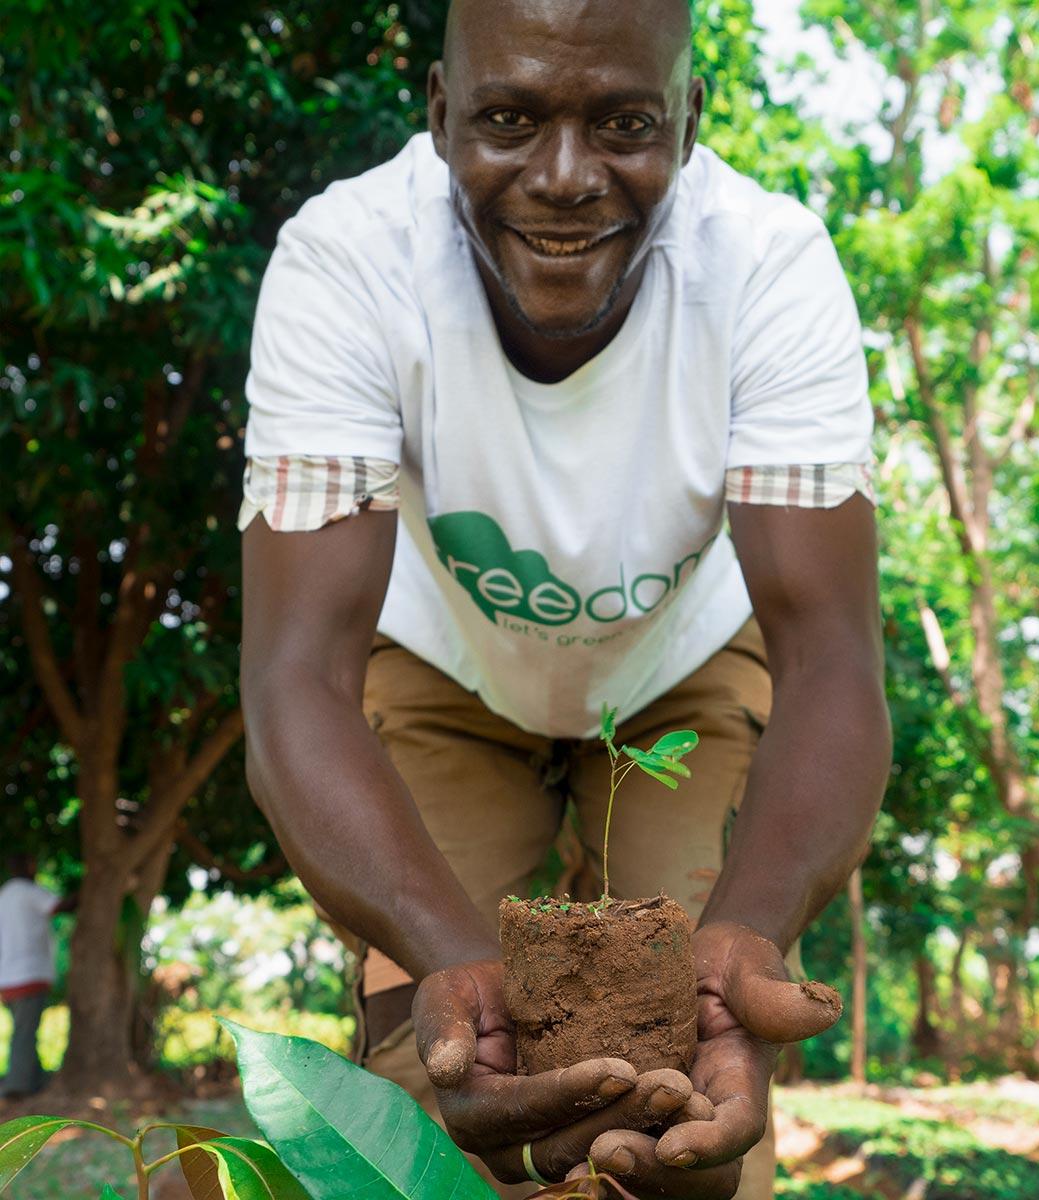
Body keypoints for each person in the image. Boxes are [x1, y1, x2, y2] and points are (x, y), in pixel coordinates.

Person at [239, 0, 891, 1195]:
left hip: (678, 675)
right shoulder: (345, 265)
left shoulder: (772, 270)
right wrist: (450, 961)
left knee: (684, 1109)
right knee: (437, 1092)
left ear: (689, 121)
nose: (565, 176)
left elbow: (834, 662)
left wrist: (744, 938)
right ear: (439, 115)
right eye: (508, 118)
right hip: (440, 670)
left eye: (625, 123)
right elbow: (297, 678)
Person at [0, 855, 73, 1099]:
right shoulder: (29, 892)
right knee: (25, 1033)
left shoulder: (5, 895)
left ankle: (38, 1081)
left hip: (7, 978)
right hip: (27, 974)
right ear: (29, 866)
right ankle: (16, 1087)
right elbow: (61, 906)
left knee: (25, 1031)